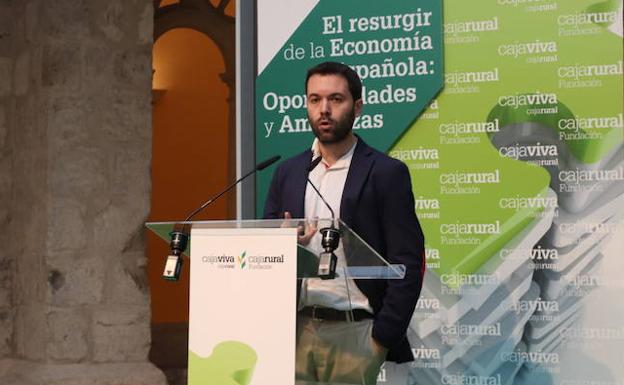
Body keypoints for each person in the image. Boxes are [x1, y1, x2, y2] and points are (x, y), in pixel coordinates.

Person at [264, 61, 425, 385]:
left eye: (336, 99)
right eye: (314, 99)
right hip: (294, 329)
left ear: (357, 106)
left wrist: (381, 338)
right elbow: (267, 242)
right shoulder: (289, 172)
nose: (324, 109)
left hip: (356, 333)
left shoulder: (385, 172)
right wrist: (282, 243)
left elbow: (408, 259)